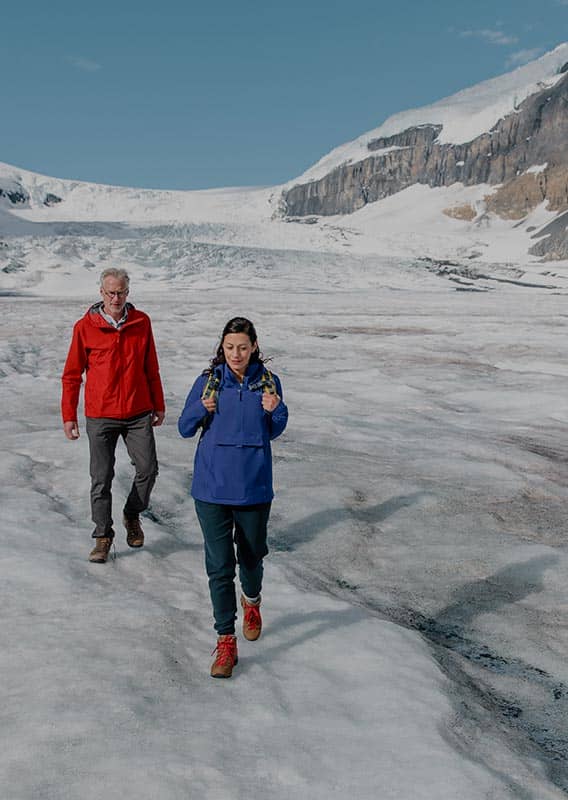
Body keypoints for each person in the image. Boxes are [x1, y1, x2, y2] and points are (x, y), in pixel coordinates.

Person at [178, 317, 288, 678]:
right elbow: (183, 428)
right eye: (230, 347)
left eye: (243, 346)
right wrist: (200, 408)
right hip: (211, 488)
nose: (236, 354)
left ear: (254, 346)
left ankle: (252, 601)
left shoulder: (268, 384)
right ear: (221, 348)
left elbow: (273, 430)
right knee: (220, 565)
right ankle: (225, 639)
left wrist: (277, 410)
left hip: (254, 486)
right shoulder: (208, 382)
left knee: (252, 555)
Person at [61, 268, 165, 563]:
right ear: (101, 293)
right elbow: (71, 375)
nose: (116, 297)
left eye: (120, 292)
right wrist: (69, 415)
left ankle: (132, 514)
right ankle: (102, 536)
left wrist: (159, 405)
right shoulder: (85, 327)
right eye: (110, 293)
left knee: (148, 469)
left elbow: (151, 368)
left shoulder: (141, 322)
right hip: (101, 414)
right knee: (101, 477)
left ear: (127, 293)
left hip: (138, 411)